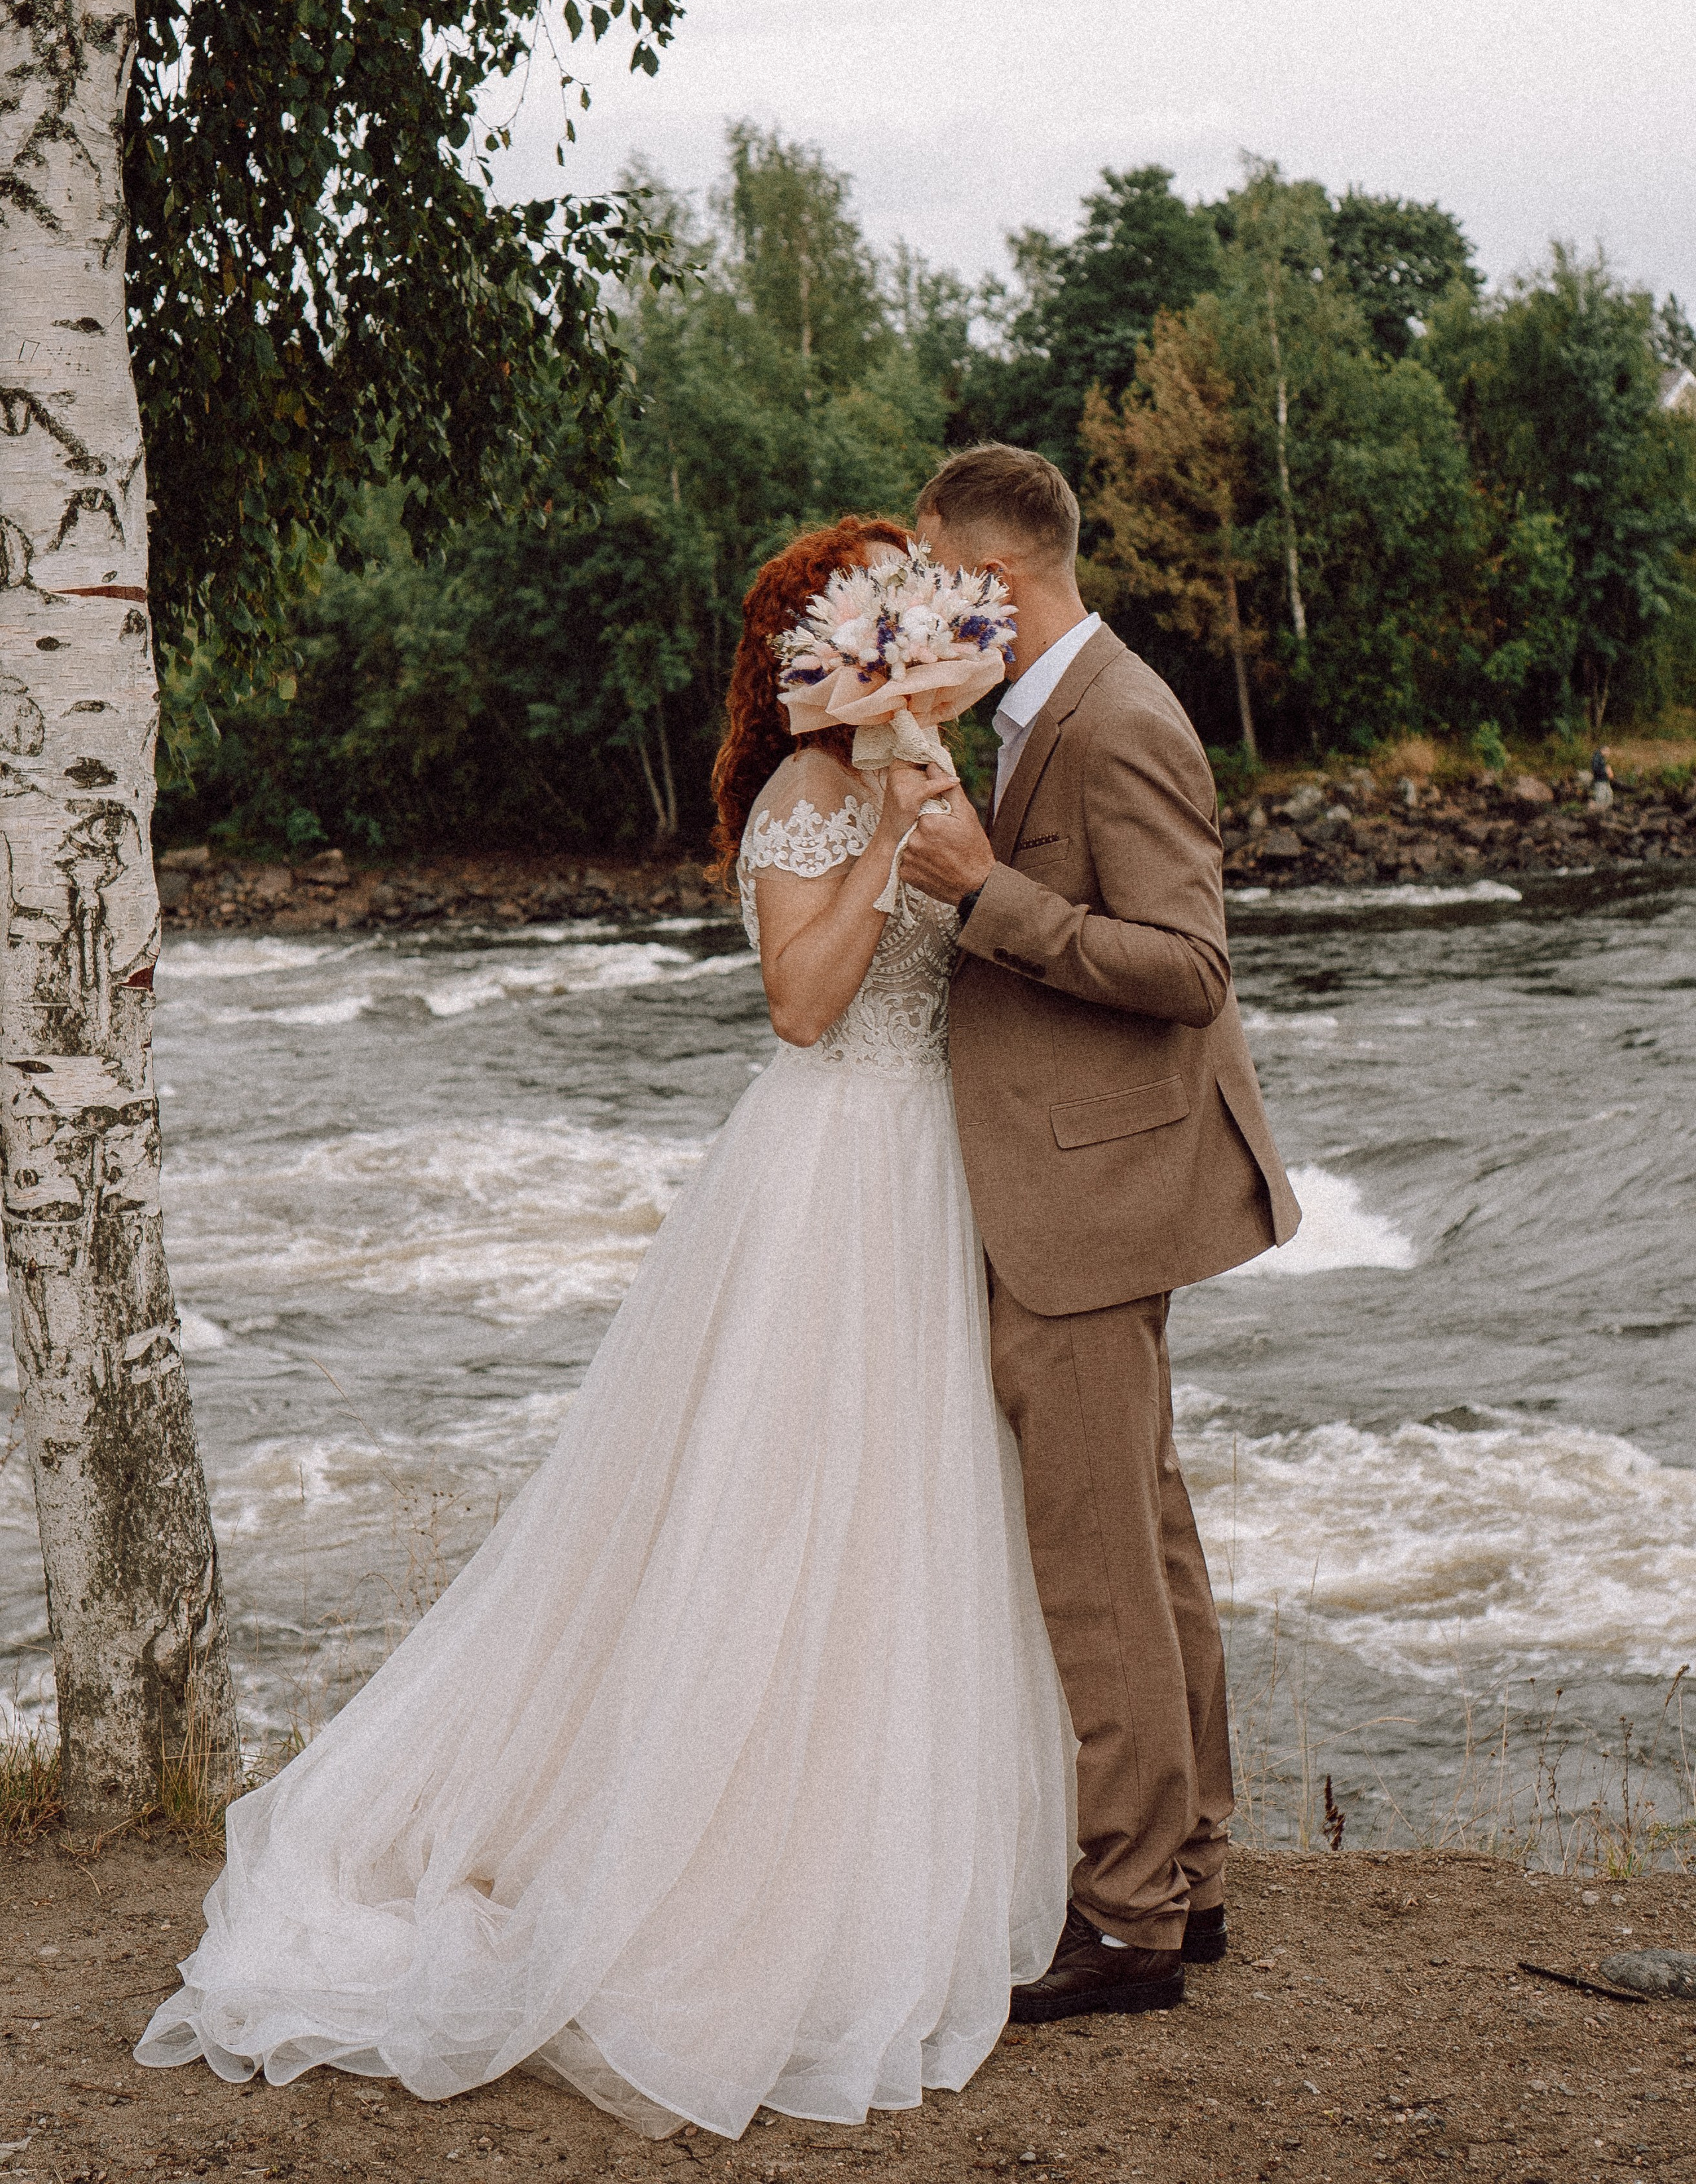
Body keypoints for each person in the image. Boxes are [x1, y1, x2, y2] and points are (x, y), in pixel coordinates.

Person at [135, 515, 1073, 2142]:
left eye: (907, 632)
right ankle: (720, 1860)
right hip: (822, 1177)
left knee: (913, 1509)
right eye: (872, 637)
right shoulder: (797, 805)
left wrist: (942, 817)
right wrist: (881, 847)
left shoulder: (932, 772)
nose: (895, 660)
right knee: (780, 1504)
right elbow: (801, 1007)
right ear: (814, 661)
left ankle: (884, 1829)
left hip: (930, 1167)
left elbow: (971, 955)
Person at [897, 443, 1298, 2022]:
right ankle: (1184, 1876)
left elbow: (1187, 965)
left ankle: (1127, 1918)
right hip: (1086, 1179)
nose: (919, 603)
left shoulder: (1116, 717)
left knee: (1096, 1565)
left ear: (995, 580)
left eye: (934, 574)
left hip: (1087, 1198)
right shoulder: (1031, 711)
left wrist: (987, 894)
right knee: (1147, 1534)